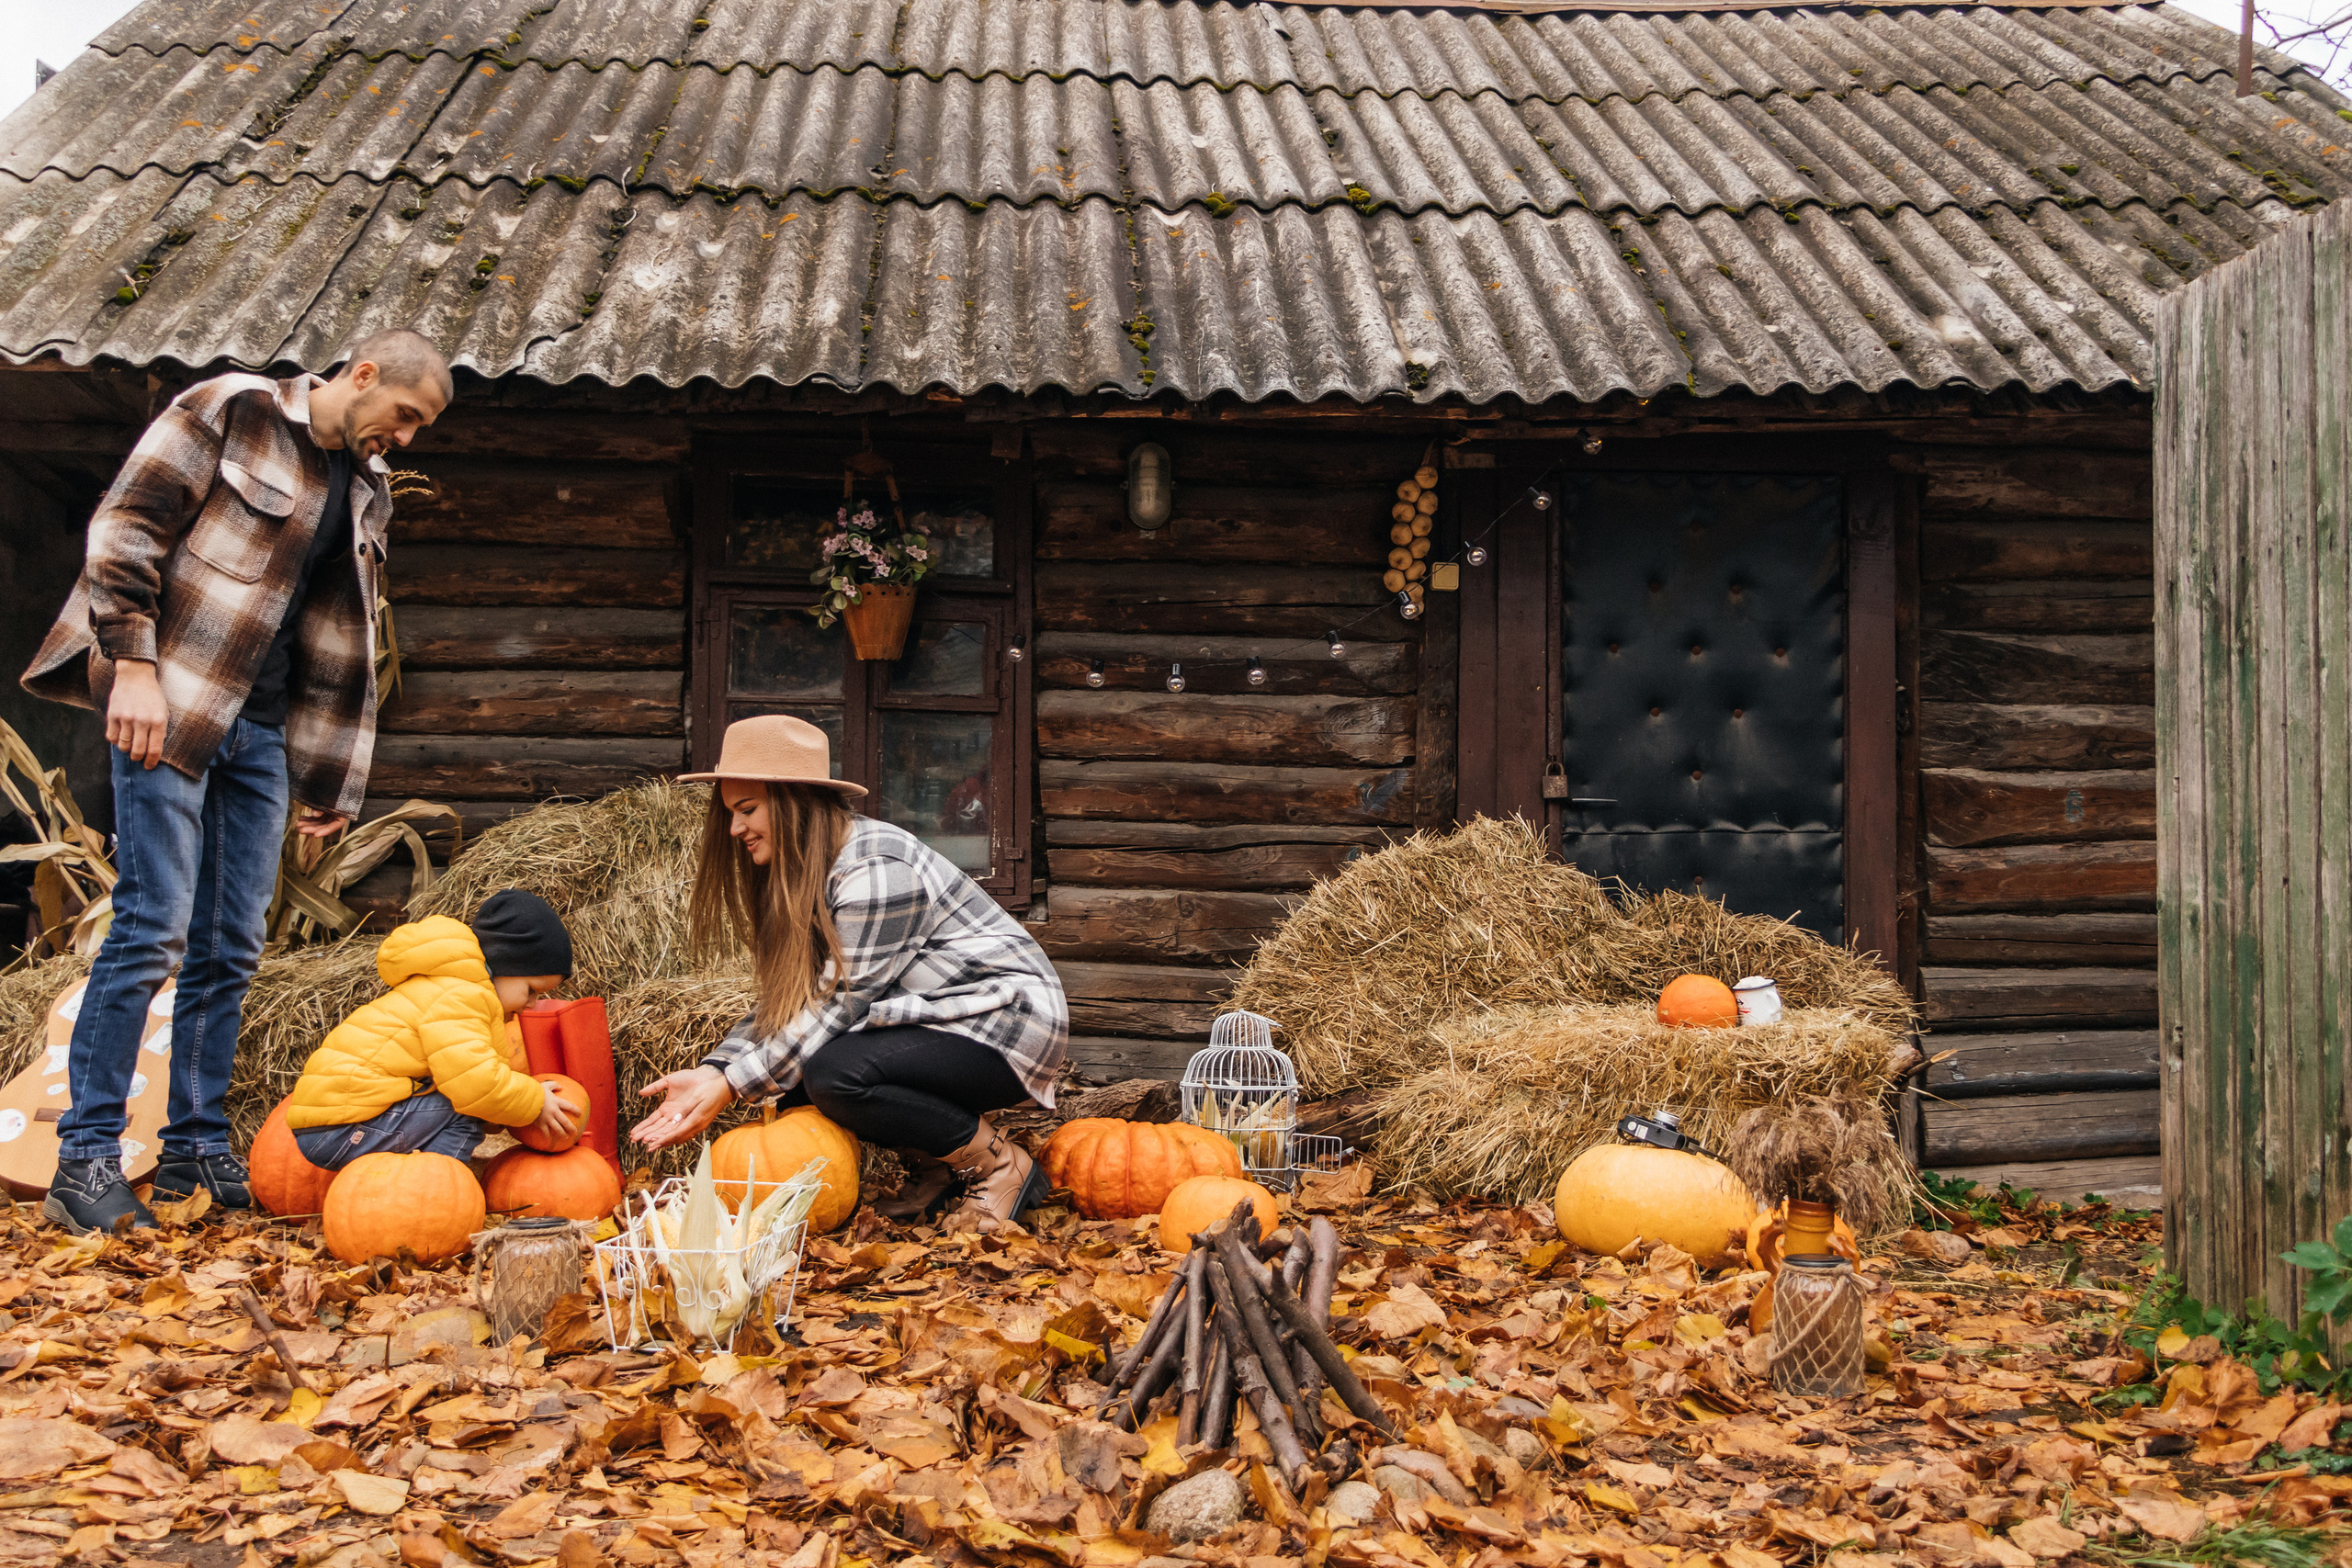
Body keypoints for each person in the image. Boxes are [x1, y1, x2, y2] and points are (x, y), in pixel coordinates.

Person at [19, 331, 452, 1233]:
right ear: (363, 375)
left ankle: (194, 1148)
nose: (406, 437)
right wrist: (133, 667)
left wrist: (323, 772)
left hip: (258, 736)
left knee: (231, 947)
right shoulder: (232, 408)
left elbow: (333, 634)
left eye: (421, 427)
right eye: (405, 415)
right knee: (152, 926)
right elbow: (125, 528)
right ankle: (84, 1159)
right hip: (170, 704)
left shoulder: (365, 488)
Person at [631, 715, 1068, 1228]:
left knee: (834, 1075)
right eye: (731, 813)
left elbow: (837, 1005)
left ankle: (999, 1165)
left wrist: (731, 1087)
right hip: (940, 1019)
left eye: (747, 810)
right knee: (797, 1079)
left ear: (795, 801)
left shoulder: (875, 870)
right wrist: (715, 1069)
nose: (735, 829)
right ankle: (940, 1164)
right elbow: (794, 1003)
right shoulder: (810, 871)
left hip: (1005, 1025)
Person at [283, 890, 579, 1169]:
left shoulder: (445, 985)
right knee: (465, 1110)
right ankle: (438, 1185)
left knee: (460, 1101)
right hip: (343, 1127)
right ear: (506, 966)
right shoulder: (462, 996)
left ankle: (418, 1181)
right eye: (531, 990)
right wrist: (534, 1101)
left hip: (335, 1121)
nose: (532, 1004)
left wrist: (502, 1112)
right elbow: (476, 1085)